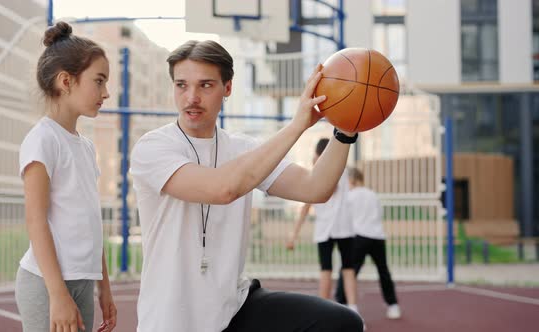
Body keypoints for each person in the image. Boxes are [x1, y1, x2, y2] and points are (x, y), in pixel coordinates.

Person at [130, 40, 364, 332]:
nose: (191, 97)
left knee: (340, 323)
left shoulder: (243, 148)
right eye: (181, 85)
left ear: (227, 88)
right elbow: (223, 189)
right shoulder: (153, 147)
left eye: (205, 85)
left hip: (233, 307)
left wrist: (346, 130)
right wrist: (296, 126)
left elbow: (315, 188)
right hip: (173, 319)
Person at [15, 22, 117, 332]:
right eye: (98, 81)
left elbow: (89, 220)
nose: (106, 92)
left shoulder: (85, 147)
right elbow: (36, 221)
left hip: (82, 282)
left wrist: (105, 287)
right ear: (66, 81)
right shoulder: (42, 140)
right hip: (47, 286)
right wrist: (57, 295)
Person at [286, 138, 358, 312]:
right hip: (334, 228)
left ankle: (341, 309)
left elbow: (322, 194)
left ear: (319, 155)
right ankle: (339, 310)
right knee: (336, 270)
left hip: (336, 229)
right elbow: (306, 206)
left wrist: (316, 168)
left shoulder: (330, 172)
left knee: (338, 270)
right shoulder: (336, 171)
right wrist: (294, 234)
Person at [345, 167, 402, 320]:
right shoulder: (373, 194)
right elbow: (379, 214)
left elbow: (346, 218)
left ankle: (342, 303)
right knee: (383, 272)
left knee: (349, 272)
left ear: (351, 180)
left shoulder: (349, 196)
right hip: (377, 237)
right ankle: (393, 305)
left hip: (358, 237)